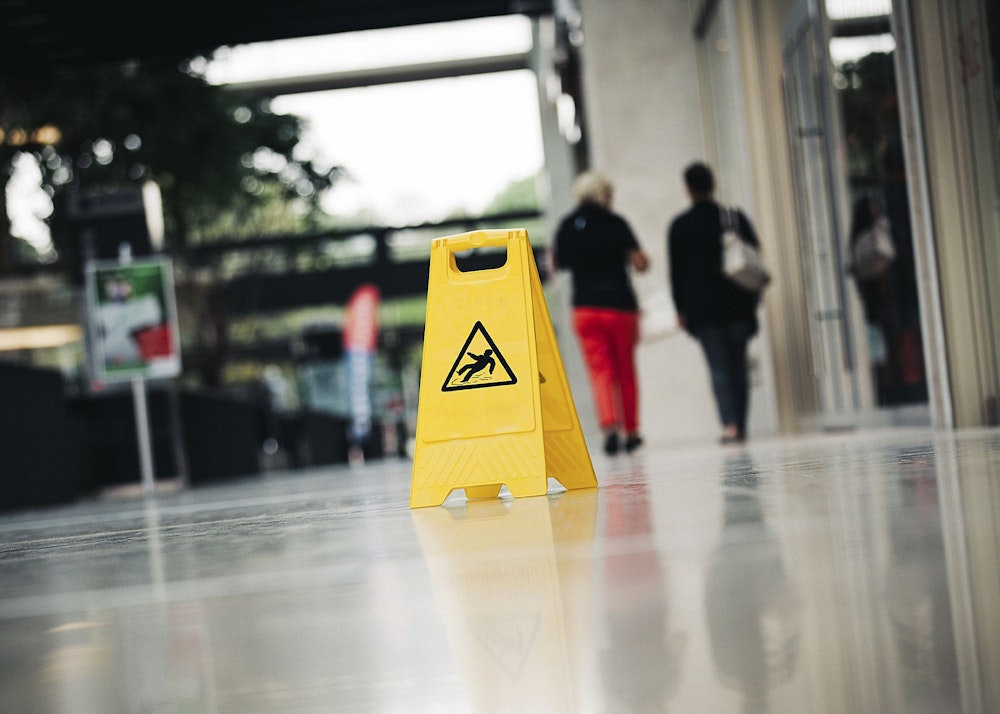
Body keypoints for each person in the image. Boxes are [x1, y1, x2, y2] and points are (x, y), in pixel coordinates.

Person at [554, 171, 650, 455]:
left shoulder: (568, 226)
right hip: (620, 307)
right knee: (625, 371)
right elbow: (639, 262)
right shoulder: (616, 223)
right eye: (609, 194)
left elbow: (559, 263)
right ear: (602, 195)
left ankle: (609, 426)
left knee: (600, 371)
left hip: (585, 309)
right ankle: (631, 431)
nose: (612, 200)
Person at [668, 162, 761, 445]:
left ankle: (730, 425)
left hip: (703, 309)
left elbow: (677, 273)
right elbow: (754, 256)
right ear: (712, 184)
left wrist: (681, 309)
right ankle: (740, 423)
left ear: (688, 189)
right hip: (738, 303)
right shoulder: (733, 218)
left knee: (719, 367)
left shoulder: (680, 226)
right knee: (738, 366)